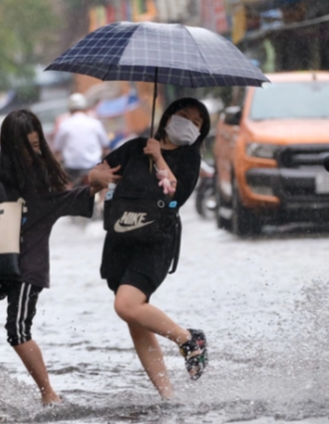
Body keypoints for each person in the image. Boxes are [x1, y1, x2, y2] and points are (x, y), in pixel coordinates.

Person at [0, 109, 119, 405]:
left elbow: (65, 200)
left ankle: (49, 395)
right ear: (8, 143)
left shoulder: (44, 171)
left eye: (36, 145)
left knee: (17, 331)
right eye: (25, 147)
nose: (32, 152)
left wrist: (93, 183)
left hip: (27, 264)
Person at [100, 98, 210, 399]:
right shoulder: (136, 147)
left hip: (156, 242)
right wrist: (98, 177)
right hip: (121, 239)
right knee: (135, 316)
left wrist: (159, 157)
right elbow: (99, 172)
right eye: (183, 115)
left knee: (126, 305)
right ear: (169, 116)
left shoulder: (189, 158)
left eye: (197, 122)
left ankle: (188, 339)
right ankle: (167, 396)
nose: (188, 123)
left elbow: (175, 192)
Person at [53, 93, 110, 186]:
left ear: (70, 109)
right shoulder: (95, 123)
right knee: (108, 183)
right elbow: (105, 144)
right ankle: (102, 200)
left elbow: (57, 149)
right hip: (94, 167)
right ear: (85, 108)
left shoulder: (64, 126)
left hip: (72, 170)